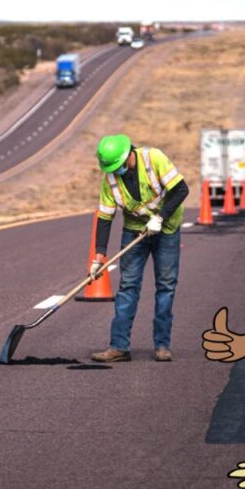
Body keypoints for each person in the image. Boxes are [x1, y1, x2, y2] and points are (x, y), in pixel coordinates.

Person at [90, 134, 189, 362]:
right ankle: (119, 347)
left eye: (118, 166)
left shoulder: (153, 158)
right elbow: (105, 218)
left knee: (165, 285)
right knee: (127, 286)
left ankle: (162, 345)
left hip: (167, 230)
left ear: (128, 157)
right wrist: (98, 257)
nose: (116, 171)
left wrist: (160, 218)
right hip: (134, 230)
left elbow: (182, 190)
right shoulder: (110, 180)